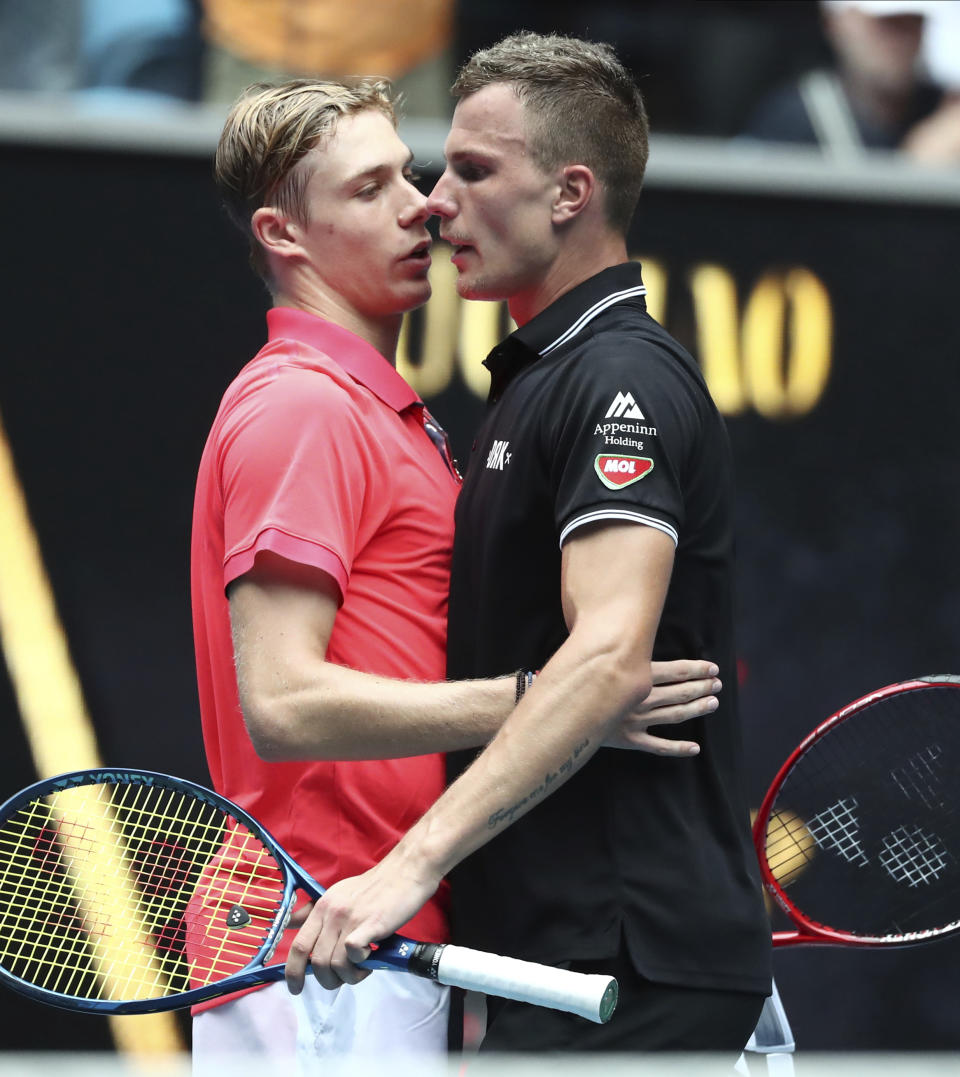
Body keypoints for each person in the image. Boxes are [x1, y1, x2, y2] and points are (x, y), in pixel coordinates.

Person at [190, 76, 724, 1067]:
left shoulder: (384, 410)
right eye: (368, 190)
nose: (419, 207)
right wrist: (551, 699)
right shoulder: (302, 406)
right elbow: (284, 702)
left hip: (376, 930)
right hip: (319, 931)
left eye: (411, 172)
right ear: (284, 234)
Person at [741, 0, 945, 159]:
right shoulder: (790, 121)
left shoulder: (943, 110)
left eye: (915, 21)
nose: (901, 37)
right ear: (835, 23)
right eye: (885, 23)